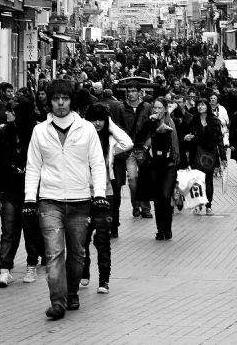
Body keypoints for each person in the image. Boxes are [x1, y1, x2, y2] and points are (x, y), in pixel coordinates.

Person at [22, 79, 108, 320]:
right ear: (49, 102)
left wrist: (99, 194)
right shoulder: (40, 130)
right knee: (53, 252)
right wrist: (30, 199)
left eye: (65, 98)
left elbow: (97, 164)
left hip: (81, 201)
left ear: (71, 101)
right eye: (56, 99)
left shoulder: (86, 129)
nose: (60, 103)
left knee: (78, 253)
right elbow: (33, 167)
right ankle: (57, 302)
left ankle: (71, 292)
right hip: (49, 200)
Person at [81, 103, 131, 294]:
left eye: (101, 119)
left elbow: (128, 143)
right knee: (82, 238)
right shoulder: (81, 140)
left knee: (102, 238)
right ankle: (84, 270)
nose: (97, 123)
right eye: (93, 119)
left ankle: (104, 280)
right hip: (84, 194)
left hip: (107, 194)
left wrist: (110, 124)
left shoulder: (110, 142)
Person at [0, 91, 44, 287]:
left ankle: (32, 265)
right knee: (8, 230)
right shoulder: (3, 133)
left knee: (30, 229)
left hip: (30, 190)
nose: (7, 115)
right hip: (9, 189)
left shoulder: (36, 136)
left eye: (12, 112)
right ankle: (5, 268)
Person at [138, 98, 179, 240]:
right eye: (155, 108)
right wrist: (151, 124)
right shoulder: (150, 123)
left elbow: (176, 142)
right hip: (153, 165)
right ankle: (160, 230)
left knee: (166, 196)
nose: (157, 111)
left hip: (169, 165)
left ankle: (167, 228)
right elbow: (140, 136)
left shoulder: (170, 122)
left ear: (165, 109)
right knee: (157, 198)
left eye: (160, 108)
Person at [121, 85, 153, 221]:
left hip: (143, 148)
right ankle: (136, 206)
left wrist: (147, 144)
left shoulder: (146, 107)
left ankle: (146, 208)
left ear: (140, 93)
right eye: (129, 91)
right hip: (129, 150)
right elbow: (119, 127)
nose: (131, 94)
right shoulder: (121, 108)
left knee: (144, 179)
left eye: (134, 91)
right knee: (132, 180)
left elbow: (153, 127)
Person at [191, 96, 225, 214]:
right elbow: (188, 135)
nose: (200, 106)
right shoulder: (193, 120)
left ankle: (208, 204)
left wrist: (223, 157)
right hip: (196, 153)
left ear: (207, 107)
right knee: (197, 180)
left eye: (203, 104)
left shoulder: (214, 121)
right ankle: (197, 203)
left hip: (210, 154)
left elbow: (220, 140)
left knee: (208, 179)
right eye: (198, 104)